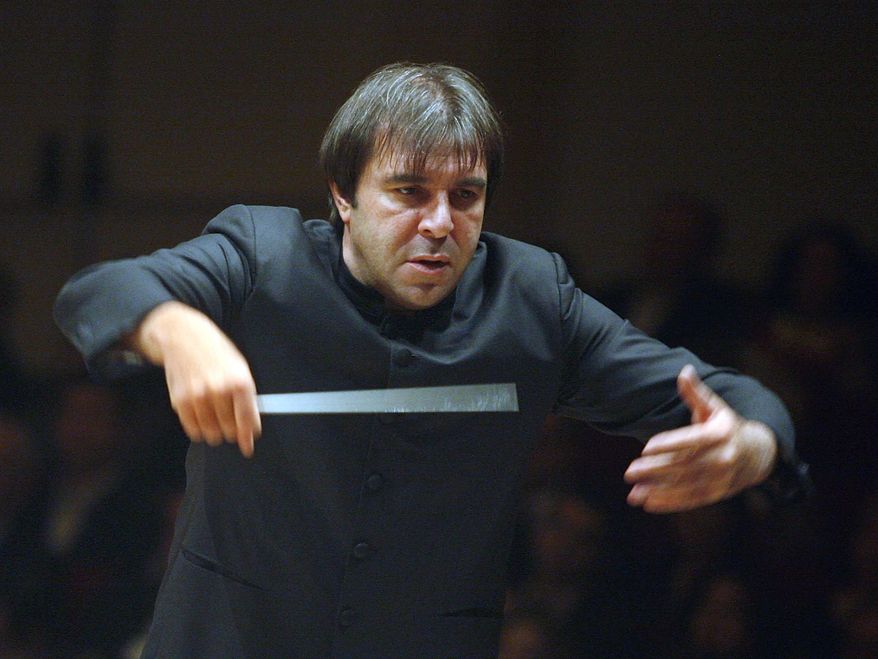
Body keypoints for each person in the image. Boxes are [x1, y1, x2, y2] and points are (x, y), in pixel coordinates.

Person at [54, 62, 808, 657]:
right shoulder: (264, 255)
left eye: (467, 196)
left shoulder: (533, 299)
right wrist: (177, 330)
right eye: (409, 192)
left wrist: (754, 443)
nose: (441, 223)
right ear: (343, 194)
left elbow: (723, 392)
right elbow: (102, 289)